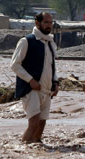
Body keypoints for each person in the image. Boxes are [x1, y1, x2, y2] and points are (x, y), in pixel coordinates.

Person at [11, 12, 59, 143]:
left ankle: (36, 148)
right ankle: (23, 149)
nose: (49, 25)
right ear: (37, 23)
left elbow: (52, 66)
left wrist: (56, 82)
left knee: (42, 123)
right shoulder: (26, 41)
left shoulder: (50, 43)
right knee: (34, 121)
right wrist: (30, 80)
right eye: (46, 22)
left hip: (47, 89)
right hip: (30, 89)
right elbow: (15, 65)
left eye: (51, 22)